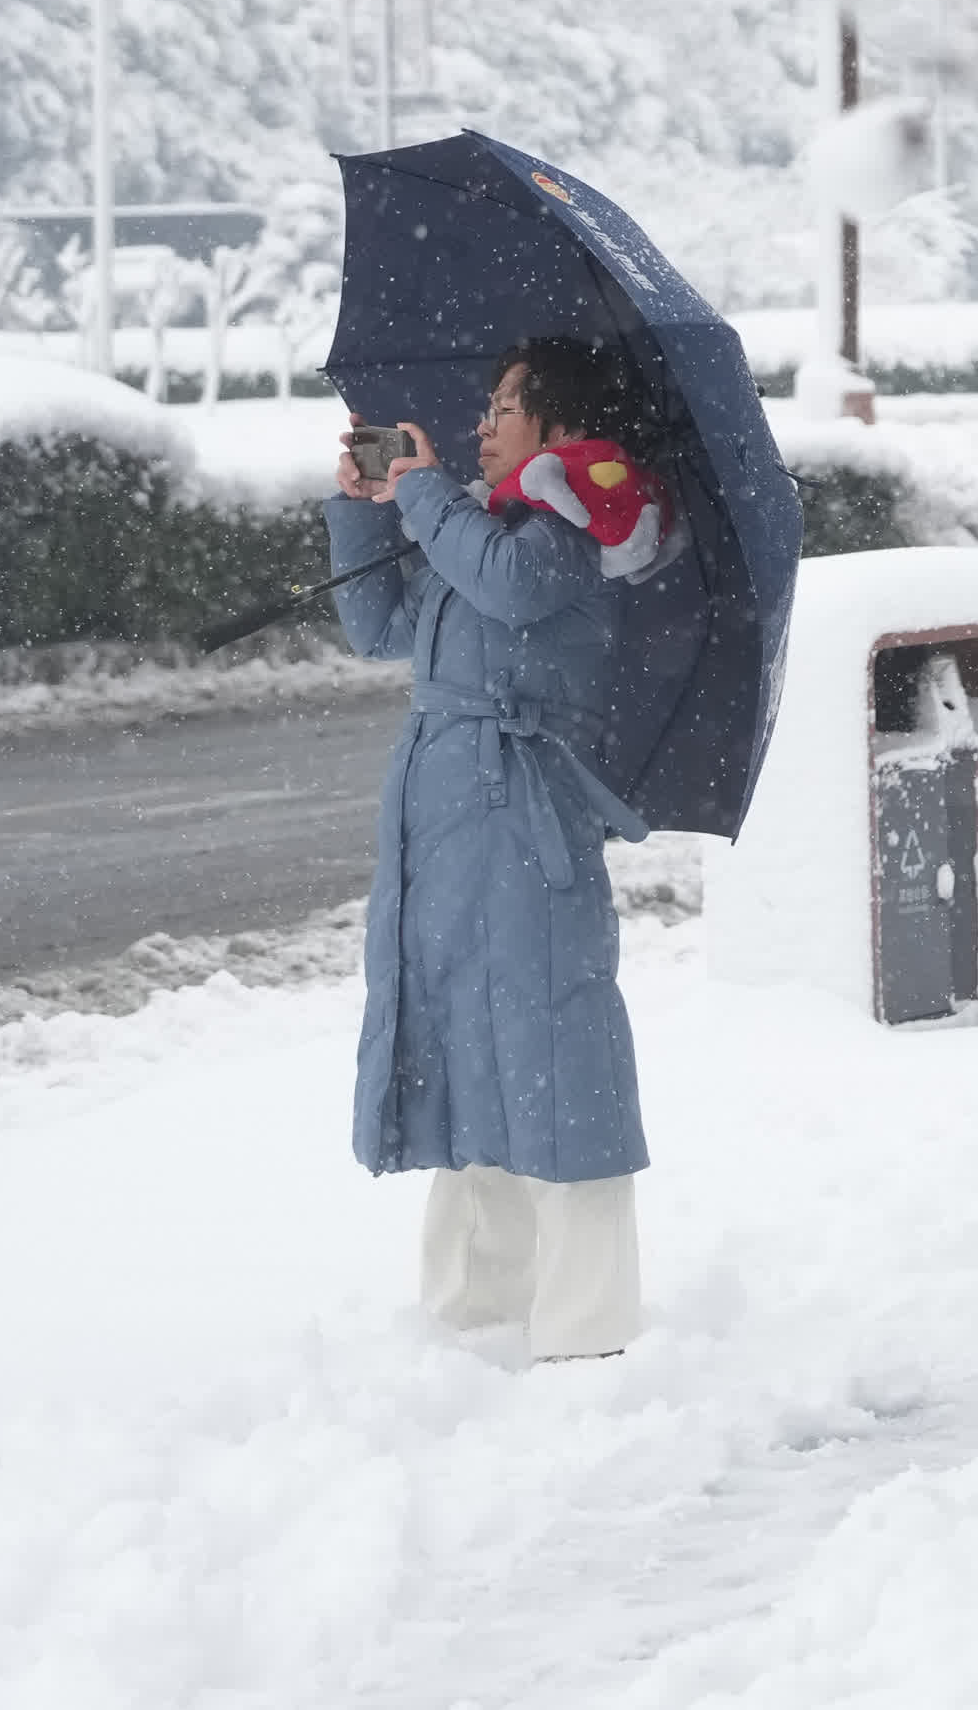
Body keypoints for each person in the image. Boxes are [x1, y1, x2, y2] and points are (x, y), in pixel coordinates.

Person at [322, 332, 685, 1358]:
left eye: (504, 409)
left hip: (524, 813)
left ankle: (587, 1323)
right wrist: (363, 506)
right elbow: (379, 628)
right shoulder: (484, 521)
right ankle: (474, 1311)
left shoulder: (579, 522)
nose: (482, 426)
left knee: (553, 1045)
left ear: (562, 426)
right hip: (440, 813)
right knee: (458, 1040)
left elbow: (515, 590)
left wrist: (427, 492)